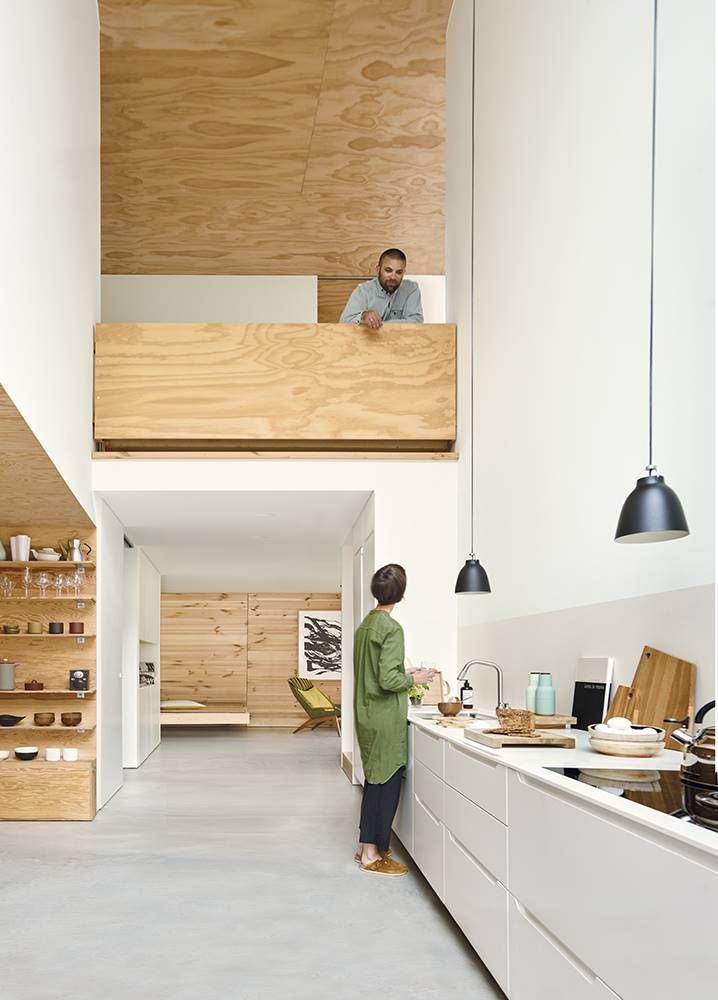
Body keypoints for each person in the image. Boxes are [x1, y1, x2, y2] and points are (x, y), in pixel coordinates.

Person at [353, 563, 435, 876]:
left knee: (374, 781)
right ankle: (373, 855)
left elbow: (375, 673)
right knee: (386, 785)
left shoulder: (365, 627)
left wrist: (406, 673)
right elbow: (388, 681)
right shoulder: (391, 629)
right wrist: (416, 678)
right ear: (400, 595)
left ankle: (365, 847)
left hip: (366, 713)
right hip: (385, 717)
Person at [340, 248, 424, 329]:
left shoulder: (412, 289)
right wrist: (363, 315)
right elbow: (344, 323)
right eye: (388, 270)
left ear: (403, 273)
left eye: (399, 272)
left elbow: (417, 322)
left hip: (401, 342)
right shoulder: (363, 291)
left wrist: (379, 326)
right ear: (378, 269)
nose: (393, 277)